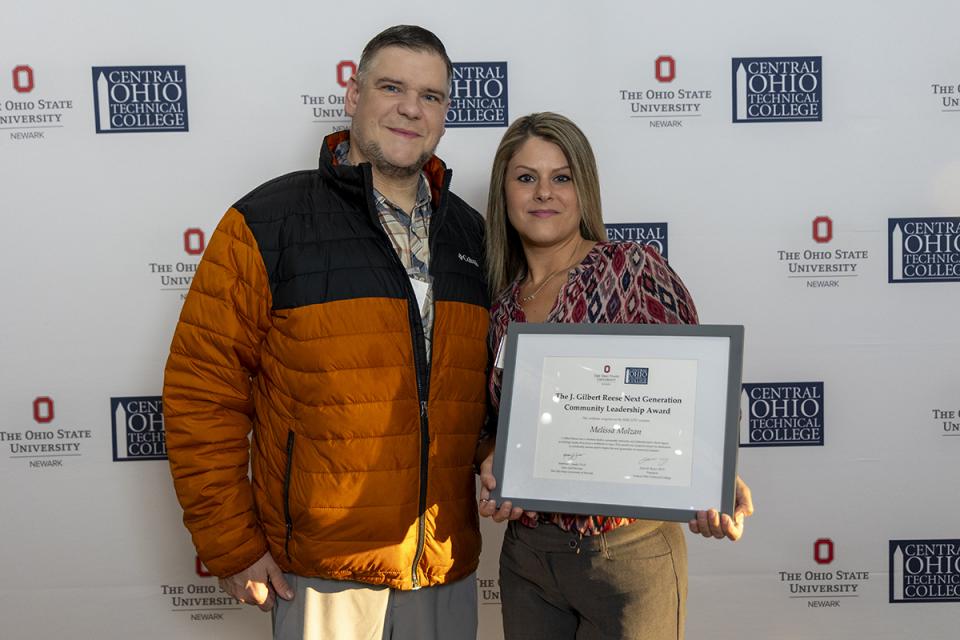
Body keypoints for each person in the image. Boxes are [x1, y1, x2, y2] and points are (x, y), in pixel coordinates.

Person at [162, 25, 490, 640]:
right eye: (391, 87)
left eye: (431, 96)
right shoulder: (266, 222)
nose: (410, 108)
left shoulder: (468, 233)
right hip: (322, 577)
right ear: (352, 94)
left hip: (443, 568)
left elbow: (479, 395)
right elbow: (200, 394)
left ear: (446, 113)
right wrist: (230, 544)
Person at [477, 112, 754, 640]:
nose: (544, 193)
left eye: (562, 177)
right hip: (528, 558)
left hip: (628, 555)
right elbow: (492, 425)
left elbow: (698, 389)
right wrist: (493, 465)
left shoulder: (632, 269)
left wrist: (712, 473)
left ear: (585, 189)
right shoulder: (501, 305)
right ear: (503, 192)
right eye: (526, 177)